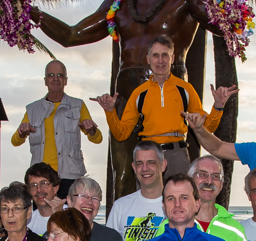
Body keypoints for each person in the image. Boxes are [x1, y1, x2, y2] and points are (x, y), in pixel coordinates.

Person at [32, 0, 227, 199]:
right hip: (126, 100)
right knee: (123, 177)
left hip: (168, 102)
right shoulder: (121, 1)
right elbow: (72, 35)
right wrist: (33, 14)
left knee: (173, 182)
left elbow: (226, 27)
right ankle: (121, 239)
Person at [91, 36, 236, 177]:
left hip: (177, 155)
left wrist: (218, 106)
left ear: (172, 58)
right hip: (149, 154)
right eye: (155, 55)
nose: (160, 60)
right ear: (148, 60)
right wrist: (110, 111)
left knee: (182, 199)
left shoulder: (185, 88)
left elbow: (207, 128)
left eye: (165, 55)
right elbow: (121, 134)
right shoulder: (139, 93)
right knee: (148, 201)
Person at [11, 60, 103, 199]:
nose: (55, 79)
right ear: (45, 80)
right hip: (41, 179)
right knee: (42, 219)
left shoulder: (78, 106)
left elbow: (98, 138)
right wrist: (21, 133)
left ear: (65, 80)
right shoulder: (33, 109)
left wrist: (91, 130)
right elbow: (15, 141)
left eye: (59, 75)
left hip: (70, 176)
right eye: (51, 75)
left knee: (70, 219)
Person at [106, 140, 167, 241]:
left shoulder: (175, 206)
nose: (145, 169)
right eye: (140, 164)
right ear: (134, 167)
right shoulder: (120, 206)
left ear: (163, 165)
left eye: (151, 163)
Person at [25, 163, 65, 236]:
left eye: (44, 183)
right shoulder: (27, 223)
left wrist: (59, 217)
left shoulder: (72, 216)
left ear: (55, 188)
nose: (39, 190)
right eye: (33, 185)